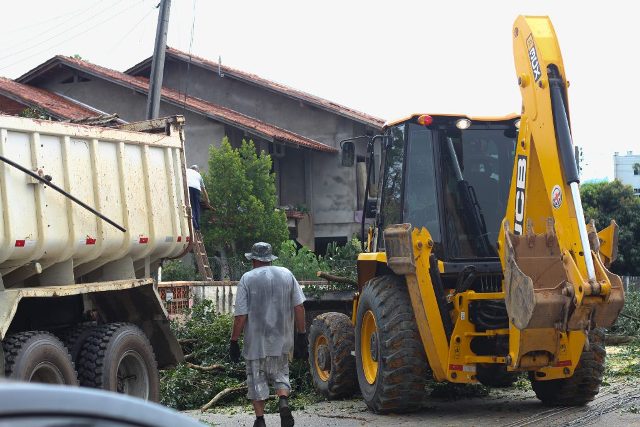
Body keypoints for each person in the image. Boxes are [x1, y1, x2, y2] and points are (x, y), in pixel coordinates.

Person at [229, 242, 307, 427]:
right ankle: (283, 401)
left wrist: (233, 341)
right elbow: (299, 306)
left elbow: (241, 316)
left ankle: (260, 419)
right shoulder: (287, 274)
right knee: (281, 375)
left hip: (256, 343)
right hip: (282, 341)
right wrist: (302, 334)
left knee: (257, 380)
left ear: (254, 260)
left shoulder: (247, 279)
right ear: (270, 259)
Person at [186, 165, 208, 231]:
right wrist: (207, 200)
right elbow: (204, 189)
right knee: (196, 208)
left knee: (191, 206)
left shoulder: (187, 170)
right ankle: (197, 227)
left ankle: (195, 225)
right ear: (197, 170)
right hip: (197, 190)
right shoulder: (199, 175)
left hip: (188, 188)